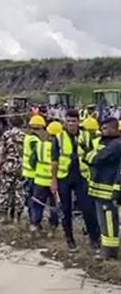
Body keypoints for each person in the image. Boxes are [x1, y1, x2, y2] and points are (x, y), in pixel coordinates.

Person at [50, 110, 100, 251]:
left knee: (88, 209)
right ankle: (69, 239)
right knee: (66, 210)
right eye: (69, 121)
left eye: (74, 121)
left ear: (79, 122)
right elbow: (54, 161)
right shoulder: (58, 138)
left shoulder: (85, 136)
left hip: (81, 177)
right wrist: (53, 180)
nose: (71, 124)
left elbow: (91, 155)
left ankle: (94, 238)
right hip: (64, 177)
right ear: (65, 122)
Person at [84, 117, 121, 259]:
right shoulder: (106, 142)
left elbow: (98, 158)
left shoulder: (116, 144)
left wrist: (91, 156)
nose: (103, 131)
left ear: (114, 128)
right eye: (102, 128)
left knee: (109, 222)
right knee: (104, 222)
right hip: (99, 189)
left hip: (107, 190)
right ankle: (107, 249)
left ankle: (110, 252)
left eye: (106, 128)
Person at [0, 115, 26, 223]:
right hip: (21, 166)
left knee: (5, 190)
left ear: (10, 123)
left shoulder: (6, 135)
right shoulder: (25, 136)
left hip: (8, 166)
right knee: (19, 191)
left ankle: (4, 216)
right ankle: (18, 216)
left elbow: (1, 153)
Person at [31, 121, 61, 234]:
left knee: (38, 203)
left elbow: (32, 161)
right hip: (55, 182)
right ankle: (53, 226)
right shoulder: (62, 148)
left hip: (40, 180)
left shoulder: (40, 146)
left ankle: (35, 224)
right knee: (54, 204)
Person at [22, 115, 45, 223]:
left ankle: (33, 219)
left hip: (27, 172)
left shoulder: (27, 137)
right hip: (34, 173)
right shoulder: (35, 141)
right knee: (35, 199)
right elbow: (36, 158)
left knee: (30, 197)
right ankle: (34, 221)